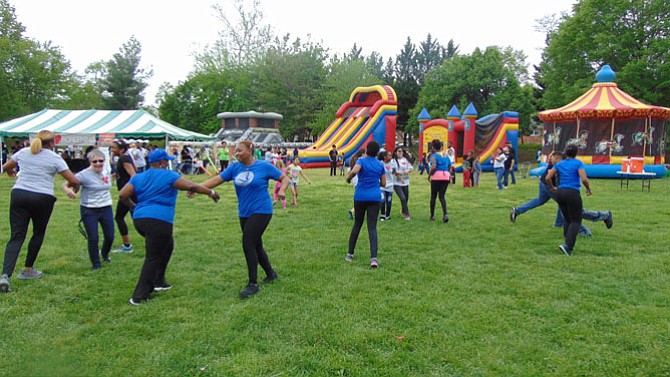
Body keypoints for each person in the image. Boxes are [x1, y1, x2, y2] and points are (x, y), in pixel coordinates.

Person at [120, 149, 219, 305]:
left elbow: (122, 195)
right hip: (159, 220)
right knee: (153, 257)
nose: (168, 162)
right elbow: (191, 186)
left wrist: (134, 208)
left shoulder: (138, 177)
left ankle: (159, 281)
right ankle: (139, 296)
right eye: (166, 160)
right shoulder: (169, 176)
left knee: (167, 245)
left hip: (140, 220)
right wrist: (211, 192)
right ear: (161, 163)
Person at [199, 140, 289, 298]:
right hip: (244, 213)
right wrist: (197, 188)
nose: (236, 153)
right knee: (256, 244)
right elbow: (216, 180)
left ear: (250, 150)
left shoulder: (264, 166)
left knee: (248, 242)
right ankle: (271, 274)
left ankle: (253, 284)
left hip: (262, 210)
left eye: (240, 151)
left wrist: (282, 190)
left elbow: (284, 178)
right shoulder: (234, 168)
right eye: (236, 151)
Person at [1, 130, 81, 293]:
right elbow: (73, 180)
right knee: (38, 232)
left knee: (16, 236)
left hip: (20, 194)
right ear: (52, 143)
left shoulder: (23, 152)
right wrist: (74, 189)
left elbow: (6, 167)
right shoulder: (55, 158)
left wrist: (11, 170)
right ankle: (28, 269)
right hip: (42, 197)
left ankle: (5, 275)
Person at [511, 152, 613, 237]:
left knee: (543, 201)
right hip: (549, 186)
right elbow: (551, 177)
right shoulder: (563, 164)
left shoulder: (562, 164)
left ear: (559, 158)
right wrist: (553, 188)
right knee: (572, 210)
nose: (550, 159)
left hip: (545, 184)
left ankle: (519, 211)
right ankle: (595, 221)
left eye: (553, 158)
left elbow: (552, 177)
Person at [62, 149, 115, 270]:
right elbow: (65, 184)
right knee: (93, 237)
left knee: (110, 236)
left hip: (106, 206)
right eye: (94, 161)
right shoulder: (83, 174)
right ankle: (96, 264)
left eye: (100, 161)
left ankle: (105, 254)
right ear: (90, 162)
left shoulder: (106, 170)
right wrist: (69, 191)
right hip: (89, 209)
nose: (98, 164)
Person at [545, 144, 592, 256]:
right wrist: (588, 189)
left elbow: (548, 177)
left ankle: (566, 241)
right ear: (576, 153)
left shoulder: (560, 164)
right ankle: (568, 246)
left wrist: (552, 187)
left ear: (565, 153)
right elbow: (584, 178)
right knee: (576, 221)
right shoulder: (578, 163)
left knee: (567, 219)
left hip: (560, 192)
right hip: (572, 192)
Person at [345, 141, 386, 268]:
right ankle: (373, 258)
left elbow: (354, 171)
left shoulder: (361, 161)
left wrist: (348, 178)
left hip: (360, 196)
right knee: (372, 228)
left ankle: (350, 254)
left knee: (357, 224)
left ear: (366, 151)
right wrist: (374, 184)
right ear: (377, 152)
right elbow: (383, 183)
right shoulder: (380, 164)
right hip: (374, 197)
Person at [110, 139, 137, 253]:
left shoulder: (123, 158)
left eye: (114, 148)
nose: (112, 149)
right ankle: (155, 240)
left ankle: (127, 246)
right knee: (136, 217)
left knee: (120, 217)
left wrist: (127, 190)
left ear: (121, 149)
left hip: (128, 194)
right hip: (130, 193)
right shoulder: (124, 157)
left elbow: (133, 175)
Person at [428, 139, 452, 222]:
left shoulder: (433, 156)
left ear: (433, 148)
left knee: (433, 196)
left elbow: (434, 166)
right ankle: (445, 214)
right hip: (445, 176)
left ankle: (432, 216)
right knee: (442, 196)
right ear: (441, 147)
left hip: (436, 176)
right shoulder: (446, 155)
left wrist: (429, 174)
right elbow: (450, 166)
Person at [391, 146, 413, 220]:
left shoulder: (405, 160)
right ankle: (407, 215)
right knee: (402, 198)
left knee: (406, 198)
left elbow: (410, 168)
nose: (400, 153)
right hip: (397, 182)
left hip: (406, 182)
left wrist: (408, 171)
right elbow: (394, 172)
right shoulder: (393, 161)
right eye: (399, 151)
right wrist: (400, 178)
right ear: (395, 152)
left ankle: (403, 210)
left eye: (402, 151)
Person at [378, 151, 394, 221]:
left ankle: (388, 215)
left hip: (390, 185)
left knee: (389, 201)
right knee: (382, 200)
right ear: (385, 157)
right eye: (389, 155)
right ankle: (382, 215)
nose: (391, 157)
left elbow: (395, 172)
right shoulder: (380, 164)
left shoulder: (392, 163)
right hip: (382, 185)